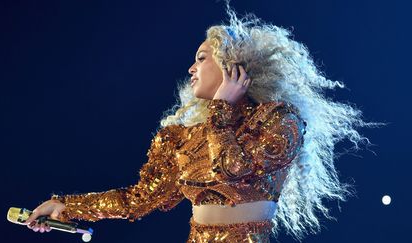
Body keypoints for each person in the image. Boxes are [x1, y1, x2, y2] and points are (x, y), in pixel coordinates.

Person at [24, 5, 375, 242]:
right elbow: (138, 199)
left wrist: (222, 108)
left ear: (233, 65)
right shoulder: (181, 138)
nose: (191, 69)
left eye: (201, 58)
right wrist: (66, 207)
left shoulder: (279, 120)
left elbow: (231, 170)